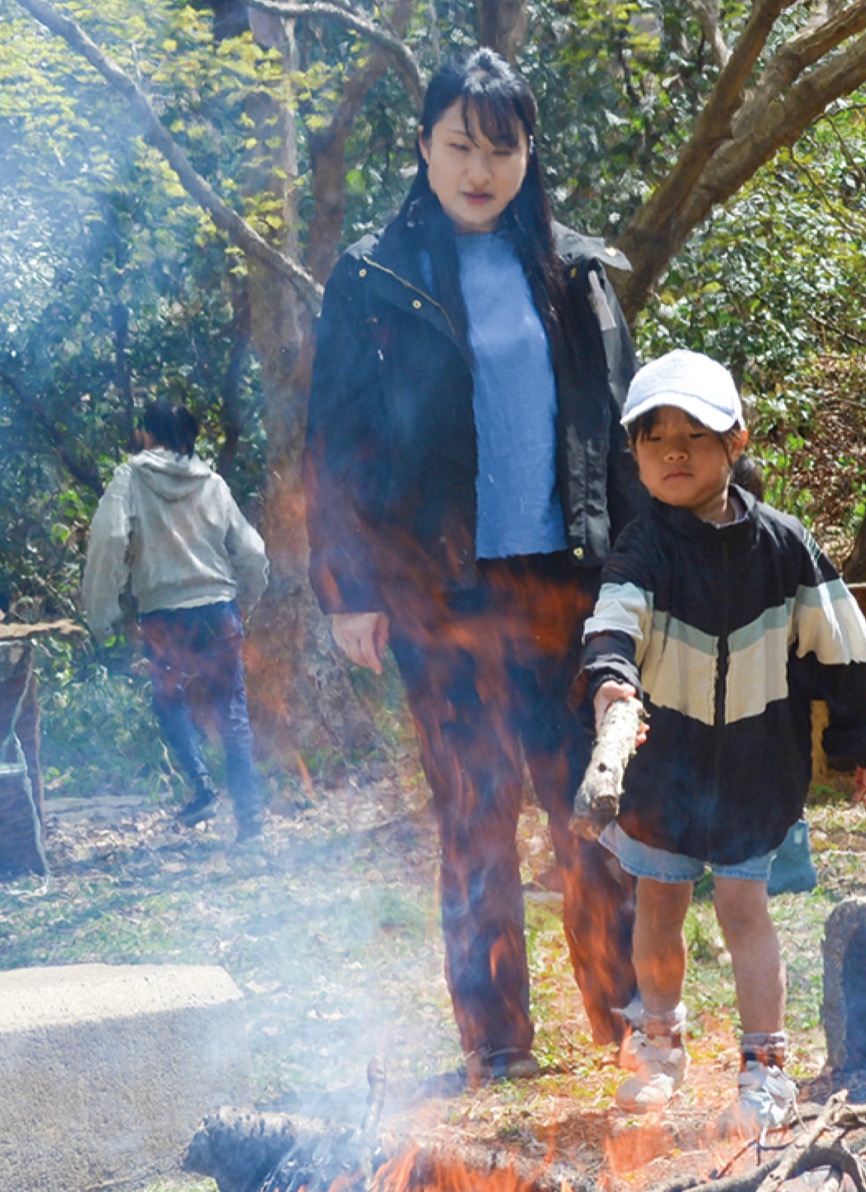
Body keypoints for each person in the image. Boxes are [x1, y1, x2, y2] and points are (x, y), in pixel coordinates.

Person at [303, 48, 644, 1087]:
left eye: (501, 147)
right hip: (436, 588)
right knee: (472, 812)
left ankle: (626, 1017)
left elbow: (616, 427)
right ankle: (497, 1040)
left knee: (589, 804)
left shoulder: (576, 273)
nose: (479, 168)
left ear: (530, 154)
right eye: (460, 144)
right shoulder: (373, 278)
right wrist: (348, 589)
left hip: (563, 582)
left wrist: (637, 574)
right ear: (424, 148)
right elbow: (335, 442)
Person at [578, 349, 866, 1132]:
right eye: (656, 440)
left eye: (696, 435)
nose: (675, 453)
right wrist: (611, 680)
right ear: (636, 455)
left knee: (744, 910)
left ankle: (764, 1068)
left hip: (757, 770)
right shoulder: (640, 548)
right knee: (659, 904)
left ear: (738, 442)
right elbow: (613, 621)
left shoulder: (784, 548)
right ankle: (658, 1044)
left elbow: (844, 643)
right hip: (663, 772)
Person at [82, 401, 269, 841]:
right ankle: (251, 828)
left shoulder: (130, 477)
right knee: (232, 714)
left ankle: (202, 788)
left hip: (164, 615)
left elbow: (110, 538)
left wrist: (101, 614)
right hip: (218, 611)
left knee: (169, 700)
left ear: (146, 433)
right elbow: (254, 551)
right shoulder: (213, 482)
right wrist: (248, 598)